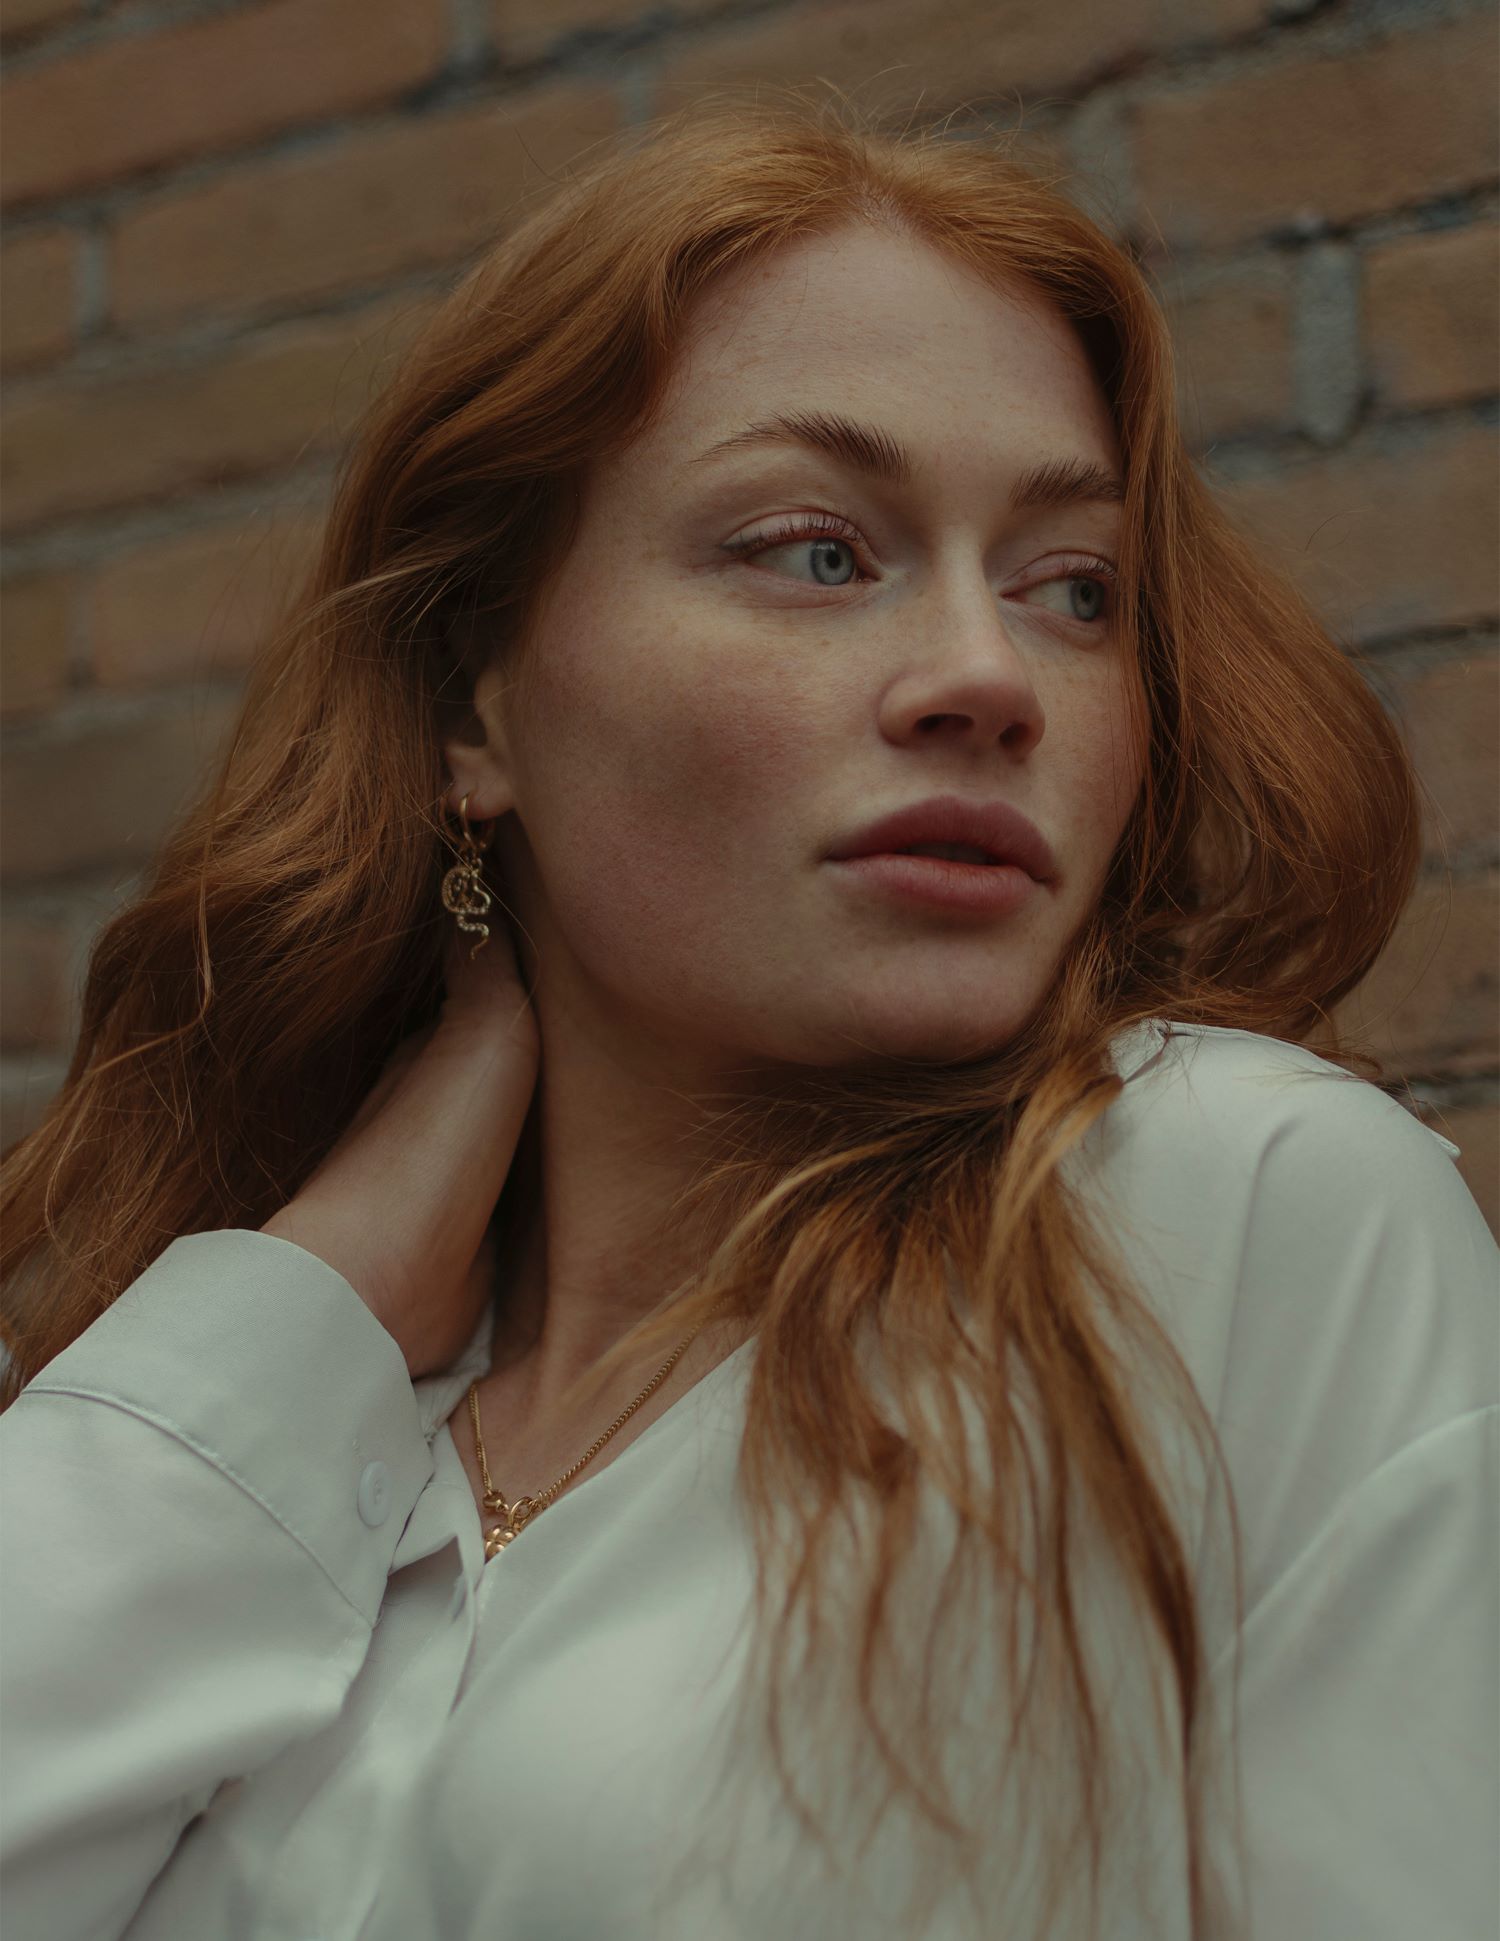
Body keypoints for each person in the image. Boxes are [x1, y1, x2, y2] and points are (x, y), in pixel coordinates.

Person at [0, 96, 1494, 1941]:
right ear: (479, 707)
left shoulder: (1217, 1216)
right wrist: (303, 1301)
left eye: (1074, 590)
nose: (985, 678)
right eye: (816, 552)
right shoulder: (323, 1435)